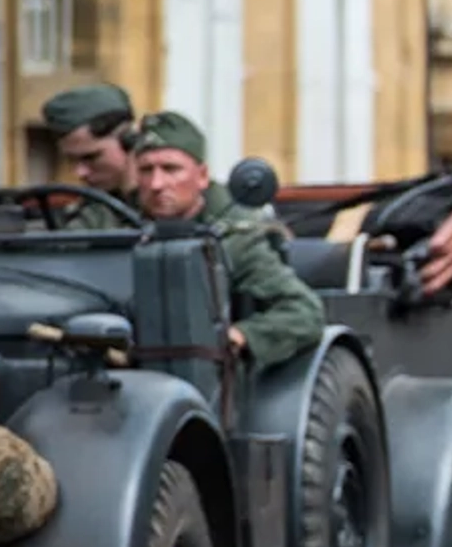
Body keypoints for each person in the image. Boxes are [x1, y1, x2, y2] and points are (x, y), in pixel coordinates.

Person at [132, 110, 327, 373]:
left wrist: (241, 335)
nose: (156, 183)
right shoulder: (120, 226)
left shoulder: (234, 238)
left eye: (170, 169)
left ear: (201, 176)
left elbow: (303, 311)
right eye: (146, 170)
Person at [40, 83, 142, 229]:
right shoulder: (92, 210)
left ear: (129, 141)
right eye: (71, 160)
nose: (80, 172)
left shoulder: (174, 205)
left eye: (91, 157)